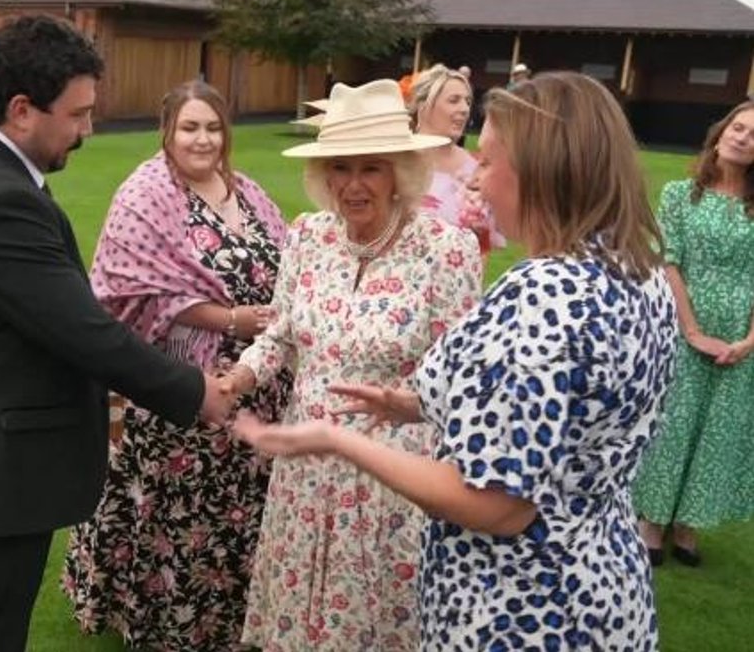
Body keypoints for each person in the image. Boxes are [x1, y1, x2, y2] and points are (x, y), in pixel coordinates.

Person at [234, 72, 678, 650]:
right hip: (601, 577)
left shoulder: (545, 294)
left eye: (487, 163)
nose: (474, 185)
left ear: (543, 169)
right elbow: (540, 417)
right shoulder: (641, 272)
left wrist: (338, 439)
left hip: (524, 606)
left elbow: (497, 504)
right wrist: (409, 402)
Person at [0, 15, 233, 652]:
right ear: (23, 110)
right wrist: (193, 391)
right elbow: (84, 331)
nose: (87, 130)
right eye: (77, 115)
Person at [223, 79, 484, 651]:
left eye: (372, 168)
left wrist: (404, 406)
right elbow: (283, 333)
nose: (353, 185)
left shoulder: (446, 249)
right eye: (340, 168)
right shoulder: (307, 237)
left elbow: (461, 381)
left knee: (373, 622)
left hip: (388, 475)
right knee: (298, 618)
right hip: (304, 469)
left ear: (401, 172)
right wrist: (239, 377)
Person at [63, 80, 291, 650]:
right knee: (178, 511)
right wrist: (232, 319)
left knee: (243, 507)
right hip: (178, 386)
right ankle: (168, 618)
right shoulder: (145, 195)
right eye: (190, 127)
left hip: (257, 381)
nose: (203, 139)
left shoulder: (250, 192)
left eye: (213, 127)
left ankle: (240, 613)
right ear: (167, 132)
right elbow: (125, 287)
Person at [634, 100, 754, 567]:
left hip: (741, 336)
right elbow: (668, 261)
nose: (744, 137)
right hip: (684, 325)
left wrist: (749, 339)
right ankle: (652, 519)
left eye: (753, 134)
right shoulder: (682, 194)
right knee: (675, 422)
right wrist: (693, 330)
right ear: (721, 133)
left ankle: (688, 523)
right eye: (738, 127)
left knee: (718, 429)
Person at [409, 64, 505, 255]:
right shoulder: (393, 162)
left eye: (467, 102)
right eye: (454, 101)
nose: (464, 109)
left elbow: (482, 247)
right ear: (423, 106)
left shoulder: (476, 172)